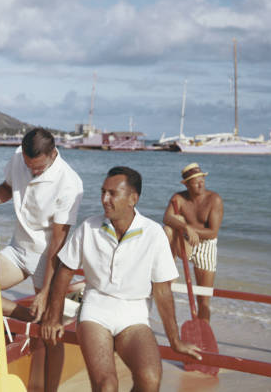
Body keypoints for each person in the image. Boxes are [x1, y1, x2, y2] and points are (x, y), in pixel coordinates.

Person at [42, 166, 201, 392]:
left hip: (134, 314)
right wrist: (54, 317)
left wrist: (174, 340)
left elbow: (163, 291)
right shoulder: (89, 227)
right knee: (107, 386)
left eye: (112, 193)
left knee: (150, 379)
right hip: (96, 309)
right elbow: (65, 271)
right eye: (103, 192)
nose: (105, 199)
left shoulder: (153, 233)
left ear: (132, 199)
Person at [0, 127, 83, 391]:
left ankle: (49, 387)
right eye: (28, 166)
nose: (32, 171)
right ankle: (29, 316)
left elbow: (58, 245)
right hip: (17, 249)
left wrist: (45, 291)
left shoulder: (69, 183)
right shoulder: (18, 158)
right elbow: (8, 187)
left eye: (38, 168)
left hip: (47, 258)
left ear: (53, 153)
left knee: (50, 331)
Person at [163, 162, 223, 322]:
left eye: (202, 179)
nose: (200, 183)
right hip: (185, 242)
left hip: (206, 245)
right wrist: (186, 228)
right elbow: (167, 218)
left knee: (203, 299)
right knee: (168, 229)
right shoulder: (179, 198)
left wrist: (191, 230)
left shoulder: (214, 199)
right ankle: (169, 271)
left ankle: (204, 331)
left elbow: (213, 232)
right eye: (195, 180)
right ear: (187, 184)